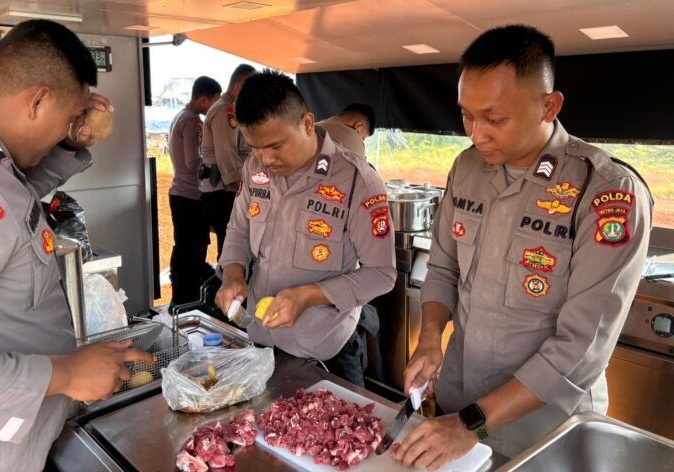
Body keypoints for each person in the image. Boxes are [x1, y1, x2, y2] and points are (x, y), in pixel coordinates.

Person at [394, 25, 653, 469]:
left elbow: (580, 350)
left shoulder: (606, 192)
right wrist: (431, 339)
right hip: (459, 404)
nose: (476, 134)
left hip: (546, 433)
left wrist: (472, 423)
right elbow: (442, 269)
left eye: (495, 119)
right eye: (466, 116)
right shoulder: (467, 168)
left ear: (549, 106)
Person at [0, 20, 154, 471]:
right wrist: (69, 374)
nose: (70, 127)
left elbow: (10, 204)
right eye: (67, 117)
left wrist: (64, 148)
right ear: (38, 100)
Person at [214, 70, 396, 386]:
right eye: (254, 147)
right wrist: (232, 274)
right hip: (261, 340)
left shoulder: (356, 182)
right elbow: (239, 229)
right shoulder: (255, 170)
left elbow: (382, 273)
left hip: (326, 351)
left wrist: (310, 295)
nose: (265, 158)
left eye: (275, 146)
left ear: (307, 124)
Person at [168, 76, 222, 309]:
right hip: (190, 196)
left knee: (184, 247)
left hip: (180, 194)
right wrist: (214, 168)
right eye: (214, 103)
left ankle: (180, 297)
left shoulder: (179, 116)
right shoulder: (193, 122)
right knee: (194, 249)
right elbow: (193, 162)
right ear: (203, 99)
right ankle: (188, 299)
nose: (214, 109)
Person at [199, 64, 256, 258]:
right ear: (241, 86)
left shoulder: (229, 109)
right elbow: (226, 153)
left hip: (224, 190)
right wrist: (241, 185)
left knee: (232, 245)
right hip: (223, 191)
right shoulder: (225, 110)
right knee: (231, 247)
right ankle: (226, 284)